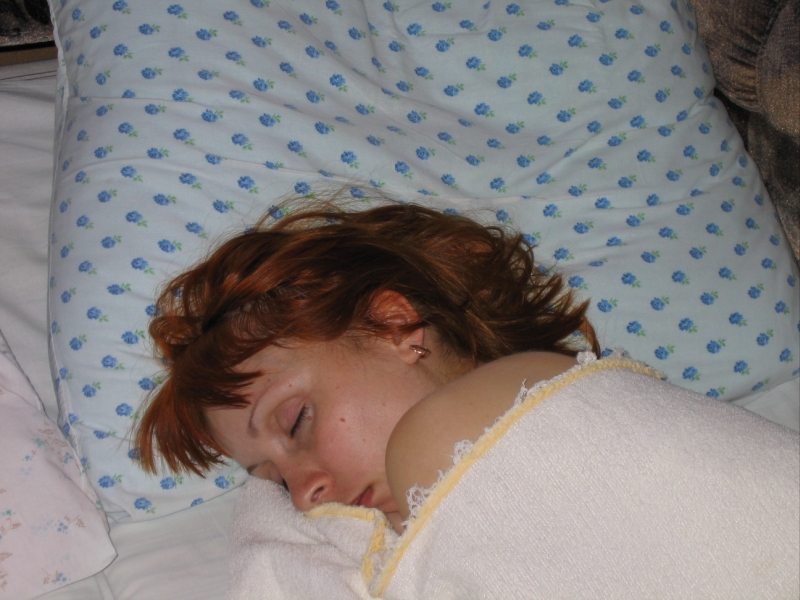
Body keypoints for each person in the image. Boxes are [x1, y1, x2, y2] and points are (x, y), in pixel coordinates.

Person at [135, 200, 600, 531]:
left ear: (393, 325)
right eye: (276, 481)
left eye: (296, 421)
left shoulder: (579, 407)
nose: (303, 497)